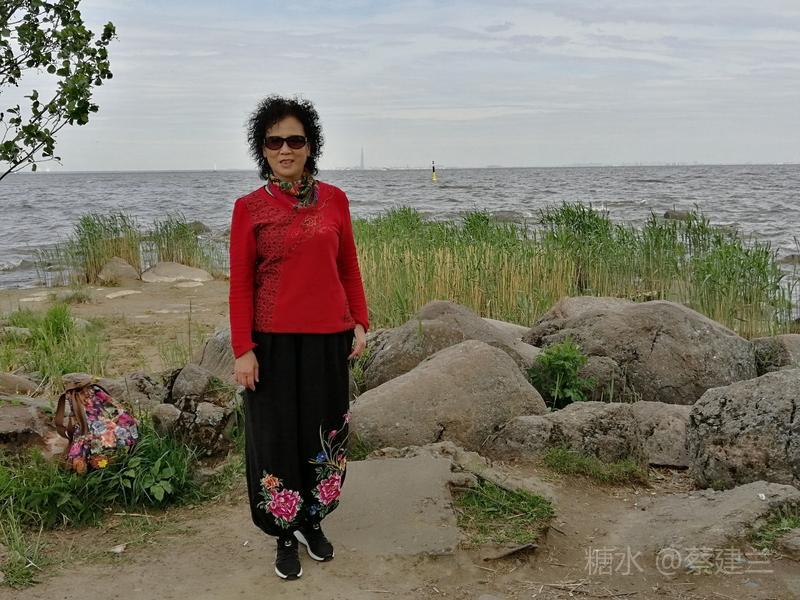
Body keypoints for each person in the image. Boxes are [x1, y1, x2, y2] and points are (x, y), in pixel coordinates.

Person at [228, 95, 368, 581]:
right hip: (272, 345)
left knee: (324, 434)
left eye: (294, 140)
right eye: (274, 142)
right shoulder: (249, 208)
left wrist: (360, 321)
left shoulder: (335, 200)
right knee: (276, 439)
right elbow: (241, 285)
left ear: (310, 146)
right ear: (262, 149)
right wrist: (243, 349)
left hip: (328, 339)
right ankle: (284, 532)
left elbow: (348, 266)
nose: (285, 149)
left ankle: (312, 520)